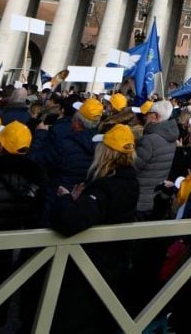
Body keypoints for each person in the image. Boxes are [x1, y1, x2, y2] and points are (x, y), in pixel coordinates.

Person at [52, 124, 140, 332]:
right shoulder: (131, 181)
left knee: (80, 317)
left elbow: (71, 222)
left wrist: (66, 200)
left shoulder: (105, 186)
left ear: (106, 153)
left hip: (93, 261)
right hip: (112, 259)